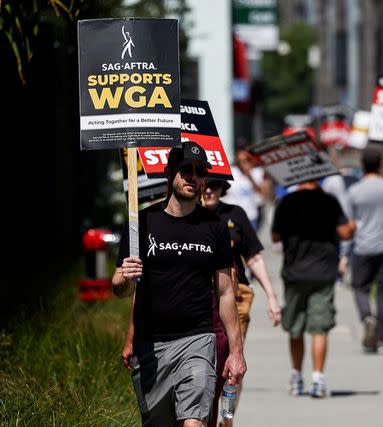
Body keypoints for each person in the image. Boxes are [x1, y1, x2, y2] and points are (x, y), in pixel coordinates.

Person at [113, 141, 247, 427]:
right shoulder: (141, 223)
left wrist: (236, 353)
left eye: (200, 172)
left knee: (194, 421)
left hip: (197, 341)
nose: (193, 177)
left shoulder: (214, 226)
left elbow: (225, 293)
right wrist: (125, 277)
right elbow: (120, 290)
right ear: (169, 172)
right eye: (186, 169)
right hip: (151, 347)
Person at [202, 179, 282, 427]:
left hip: (237, 296)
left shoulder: (234, 214)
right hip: (200, 296)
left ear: (222, 189)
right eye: (205, 185)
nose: (209, 190)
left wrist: (271, 296)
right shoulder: (189, 218)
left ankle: (227, 417)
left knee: (232, 358)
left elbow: (254, 257)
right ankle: (203, 414)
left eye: (215, 186)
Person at [272, 180, 355, 398]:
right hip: (323, 272)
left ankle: (296, 377)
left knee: (295, 327)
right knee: (320, 327)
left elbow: (275, 236)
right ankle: (318, 379)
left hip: (294, 271)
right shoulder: (329, 200)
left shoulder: (286, 201)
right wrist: (352, 226)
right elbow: (346, 233)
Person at [347, 147, 383, 353]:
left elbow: (352, 221)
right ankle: (379, 336)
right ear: (380, 164)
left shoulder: (354, 191)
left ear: (362, 165)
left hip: (363, 245)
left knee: (360, 287)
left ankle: (367, 316)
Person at [223, 148, 270, 231]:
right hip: (232, 216)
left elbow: (264, 194)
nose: (246, 163)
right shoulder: (232, 172)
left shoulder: (256, 172)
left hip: (250, 216)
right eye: (242, 161)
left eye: (248, 160)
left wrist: (250, 176)